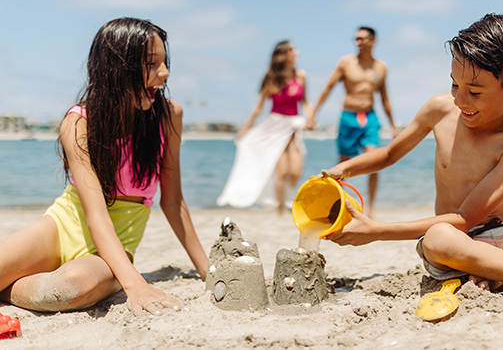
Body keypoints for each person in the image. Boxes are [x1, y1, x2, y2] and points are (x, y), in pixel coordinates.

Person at [321, 13, 503, 291]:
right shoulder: (439, 110)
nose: (459, 100)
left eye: (474, 92)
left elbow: (466, 217)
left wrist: (375, 231)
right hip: (458, 246)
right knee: (438, 238)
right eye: (454, 84)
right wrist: (343, 170)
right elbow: (389, 154)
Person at [0, 18, 208, 315]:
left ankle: (6, 290)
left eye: (164, 62)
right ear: (117, 69)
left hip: (118, 240)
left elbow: (173, 203)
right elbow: (95, 215)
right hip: (64, 225)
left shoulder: (168, 115)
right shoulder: (78, 123)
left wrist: (207, 272)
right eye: (151, 64)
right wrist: (136, 286)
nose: (164, 73)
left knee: (71, 287)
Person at [306, 26, 397, 218]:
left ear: (373, 41)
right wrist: (313, 115)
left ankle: (371, 207)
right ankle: (338, 205)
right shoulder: (346, 63)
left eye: (362, 39)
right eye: (356, 39)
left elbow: (385, 97)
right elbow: (327, 88)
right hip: (348, 117)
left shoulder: (381, 67)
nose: (358, 42)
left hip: (370, 117)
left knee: (375, 159)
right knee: (342, 165)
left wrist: (392, 124)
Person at [217, 40, 311, 215]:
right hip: (274, 126)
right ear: (284, 54)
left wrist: (311, 118)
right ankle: (281, 210)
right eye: (292, 50)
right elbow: (259, 107)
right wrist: (245, 129)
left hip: (293, 126)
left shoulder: (301, 76)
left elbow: (305, 102)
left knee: (295, 171)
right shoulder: (271, 78)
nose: (296, 52)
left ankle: (285, 201)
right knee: (281, 172)